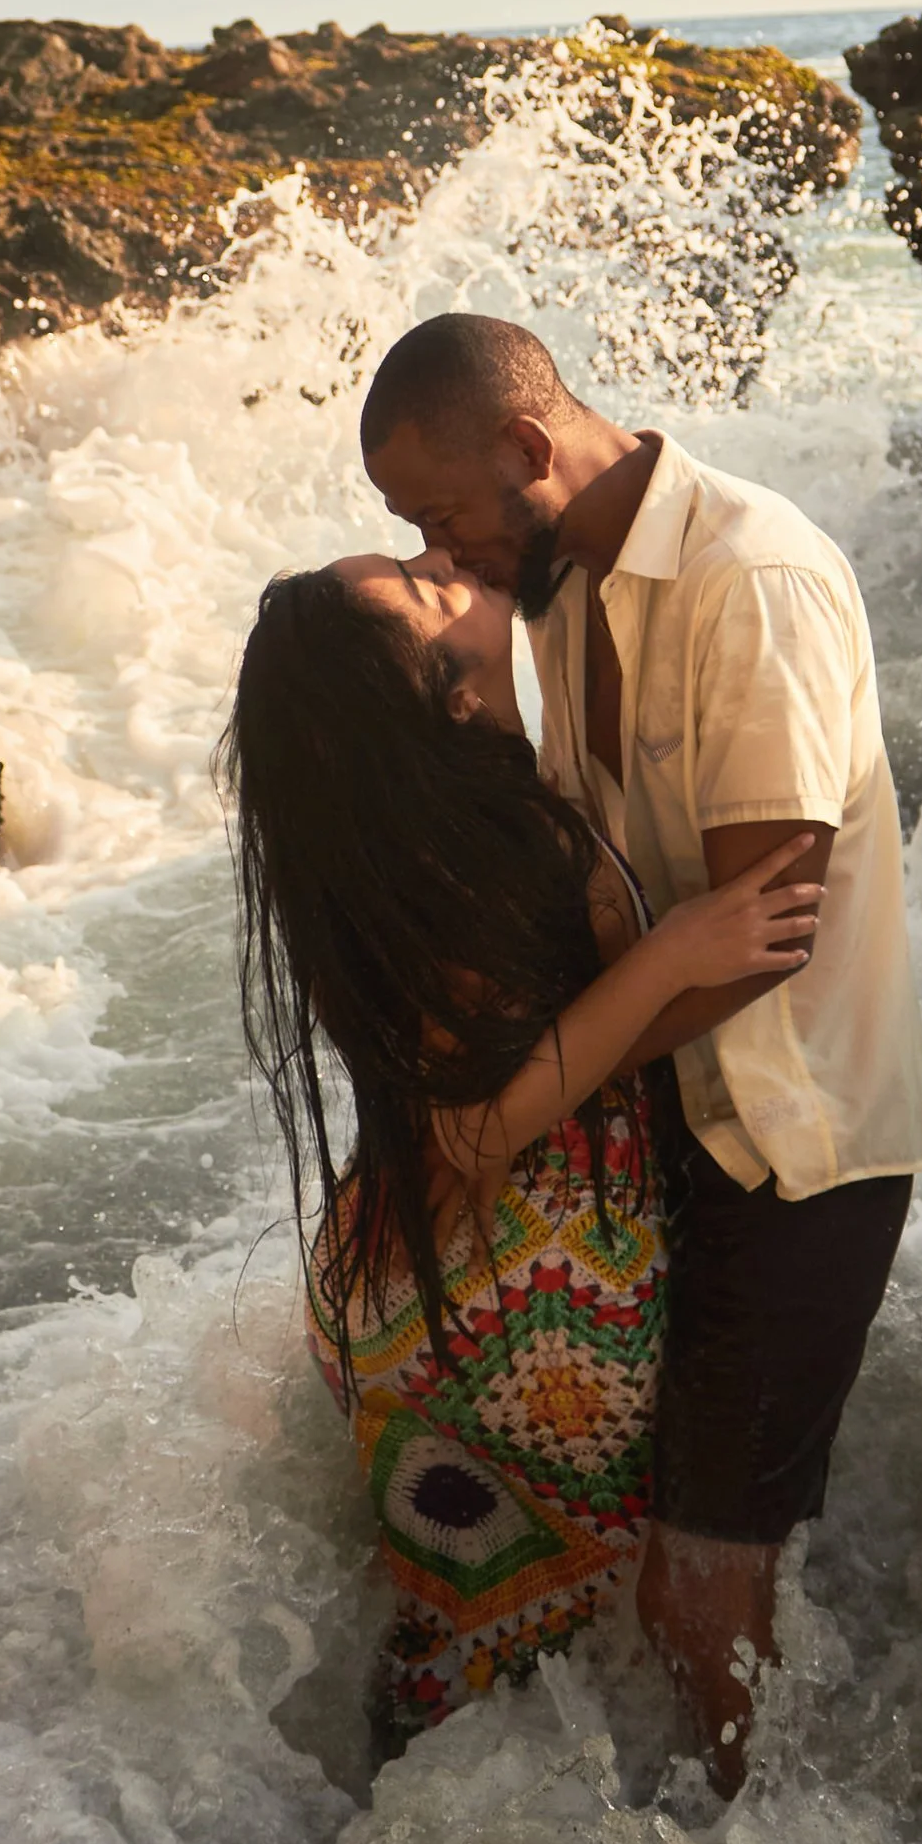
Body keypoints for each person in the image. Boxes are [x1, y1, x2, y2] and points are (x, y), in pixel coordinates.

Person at [361, 313, 922, 1788]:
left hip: (795, 1141)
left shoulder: (752, 576)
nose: (445, 552)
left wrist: (541, 1085)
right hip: (680, 1120)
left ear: (525, 446)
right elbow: (629, 901)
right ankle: (708, 1776)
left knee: (698, 1564)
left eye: (442, 513)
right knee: (676, 1524)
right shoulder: (563, 586)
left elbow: (766, 923)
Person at [220, 543, 817, 1744]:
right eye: (422, 584)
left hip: (412, 1273)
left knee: (474, 1643)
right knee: (550, 1671)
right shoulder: (487, 840)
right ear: (448, 693)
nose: (442, 558)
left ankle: (346, 1828)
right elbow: (477, 1124)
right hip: (529, 1292)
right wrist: (676, 952)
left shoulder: (418, 836)